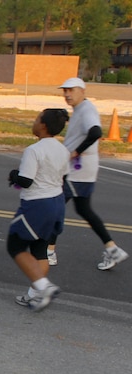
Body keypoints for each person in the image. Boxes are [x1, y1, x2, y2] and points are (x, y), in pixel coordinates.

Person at [47, 77, 128, 270]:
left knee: (55, 205)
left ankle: (49, 251)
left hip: (78, 170)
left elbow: (96, 132)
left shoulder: (87, 110)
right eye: (64, 91)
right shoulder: (81, 109)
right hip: (83, 170)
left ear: (82, 91)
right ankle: (113, 249)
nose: (67, 94)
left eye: (71, 90)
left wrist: (76, 151)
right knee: (84, 209)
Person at [9, 109, 70, 312]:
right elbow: (65, 178)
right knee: (39, 250)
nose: (34, 122)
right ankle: (35, 295)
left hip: (37, 204)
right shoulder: (63, 150)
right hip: (57, 202)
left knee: (15, 245)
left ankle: (45, 287)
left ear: (43, 126)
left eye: (36, 119)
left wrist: (14, 175)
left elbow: (26, 180)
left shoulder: (34, 150)